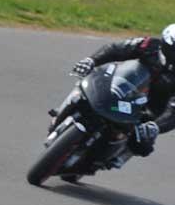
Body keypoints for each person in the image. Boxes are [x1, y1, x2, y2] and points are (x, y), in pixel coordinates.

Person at [69, 24, 175, 157]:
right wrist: (91, 60)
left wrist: (155, 126)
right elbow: (117, 49)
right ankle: (65, 110)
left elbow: (173, 113)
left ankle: (115, 158)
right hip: (122, 89)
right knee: (85, 89)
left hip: (147, 113)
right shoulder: (150, 45)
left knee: (142, 146)